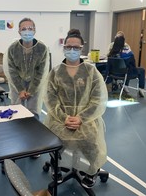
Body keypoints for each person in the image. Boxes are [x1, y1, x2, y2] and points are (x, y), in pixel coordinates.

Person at [44, 29, 108, 188]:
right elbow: (51, 100)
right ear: (64, 47)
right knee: (55, 140)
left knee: (91, 141)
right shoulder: (55, 73)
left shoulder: (91, 71)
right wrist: (64, 118)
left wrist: (81, 118)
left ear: (81, 48)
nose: (72, 50)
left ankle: (92, 171)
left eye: (76, 47)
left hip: (86, 119)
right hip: (59, 119)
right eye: (68, 46)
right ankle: (56, 165)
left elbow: (97, 100)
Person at [3, 18, 49, 119]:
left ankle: (34, 131)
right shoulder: (13, 48)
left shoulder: (42, 48)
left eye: (30, 28)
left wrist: (32, 90)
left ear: (34, 30)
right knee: (17, 110)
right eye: (24, 29)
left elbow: (40, 72)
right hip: (17, 82)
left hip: (35, 82)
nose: (27, 31)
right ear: (19, 31)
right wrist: (20, 89)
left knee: (34, 111)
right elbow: (12, 71)